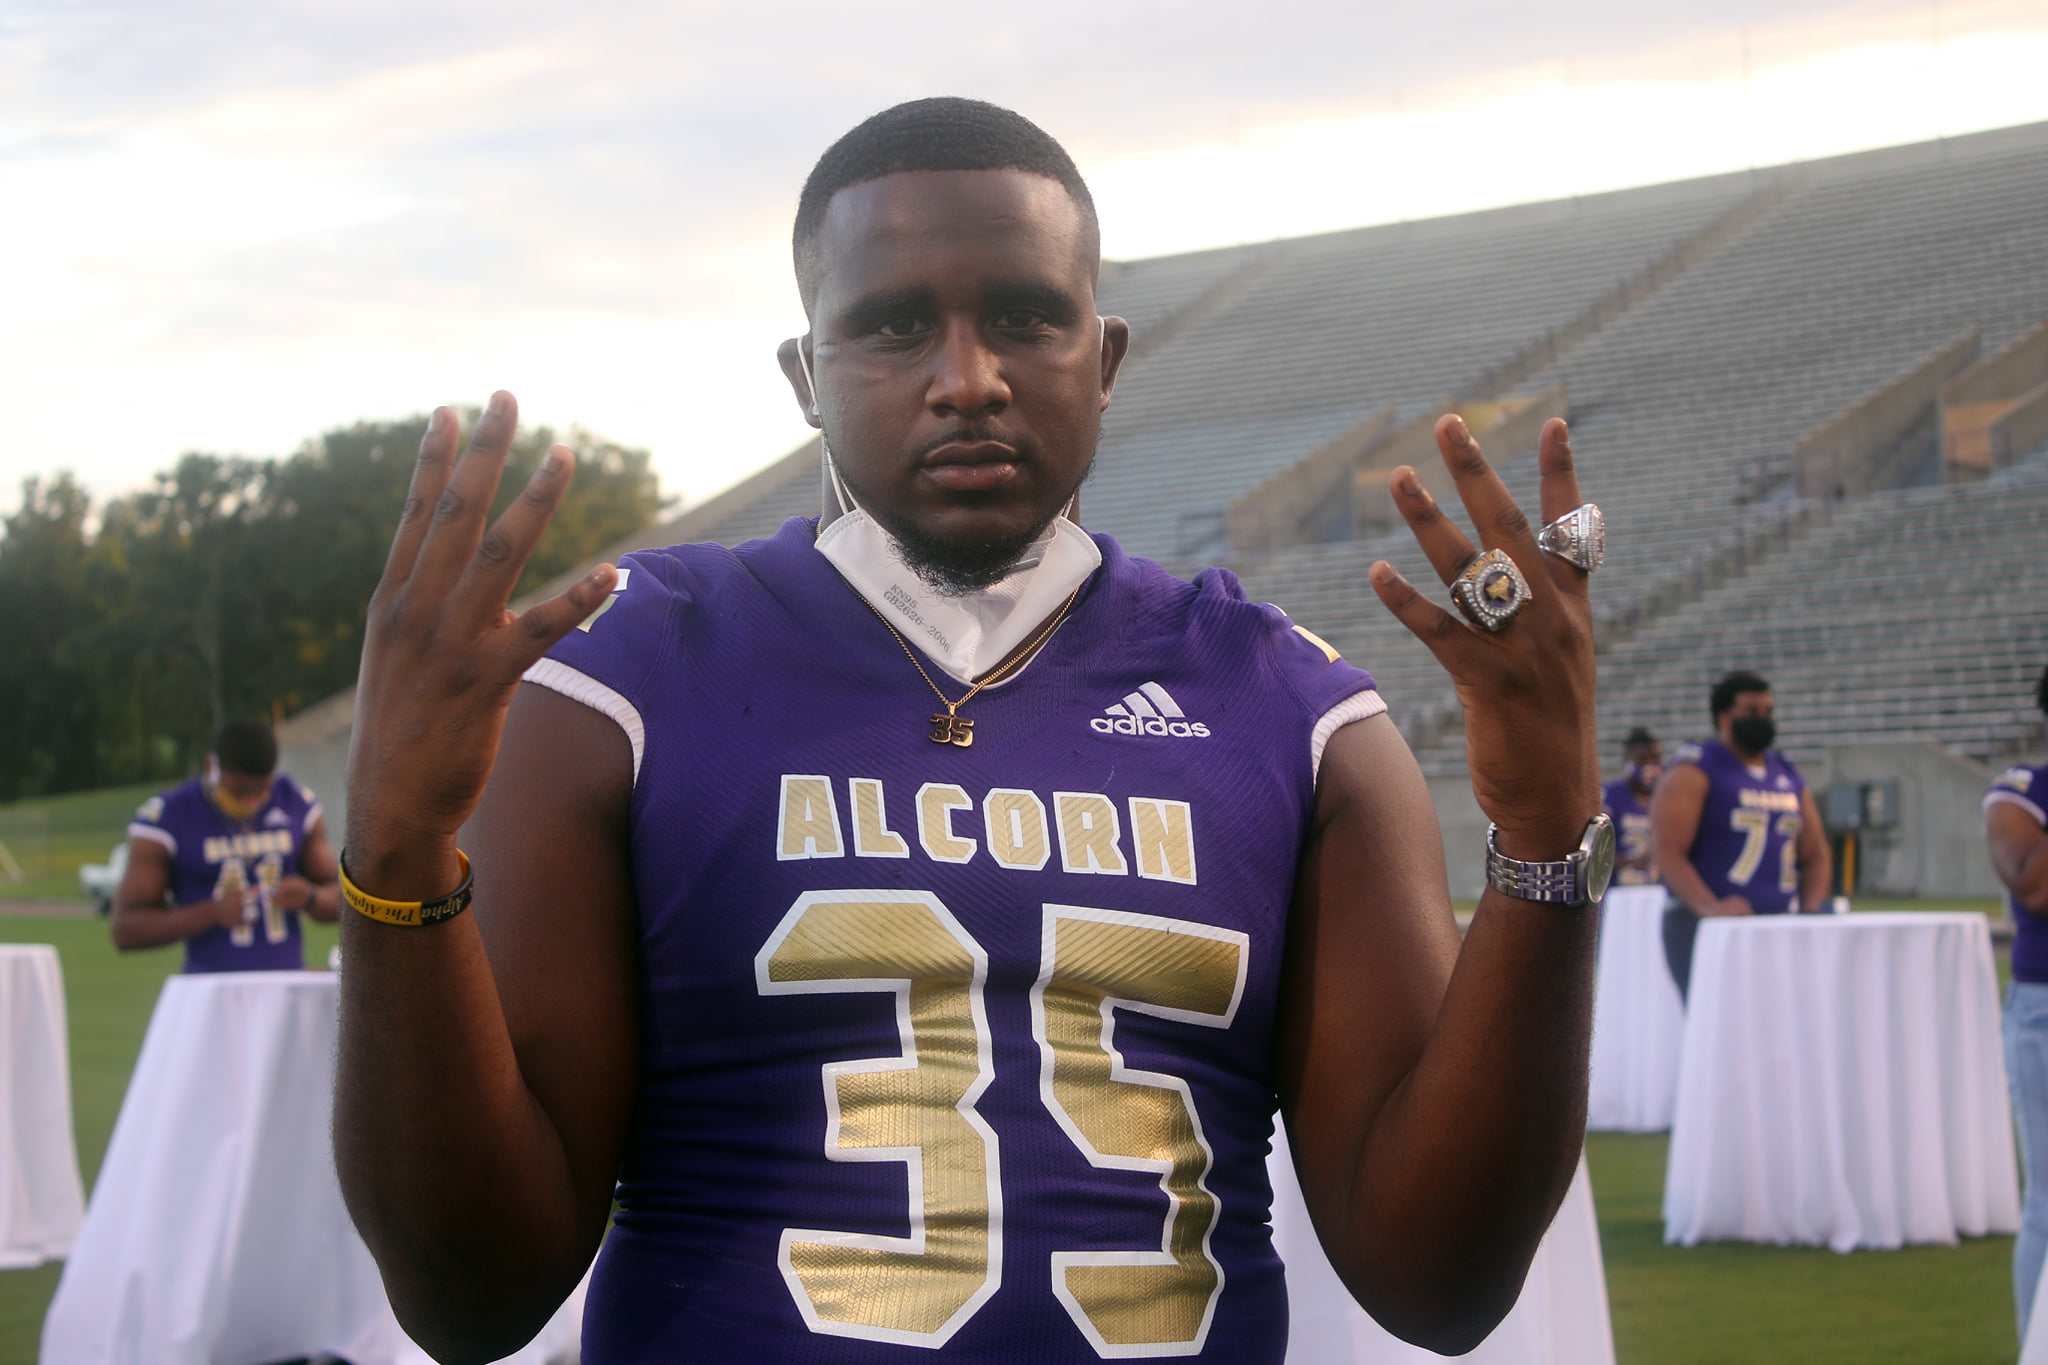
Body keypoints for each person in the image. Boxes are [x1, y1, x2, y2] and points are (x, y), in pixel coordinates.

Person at [332, 98, 1611, 1364]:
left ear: (1100, 360)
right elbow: (469, 1301)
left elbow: (1439, 1289)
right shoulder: (621, 685)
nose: (967, 379)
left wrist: (1548, 840)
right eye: (891, 327)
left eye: (1023, 317)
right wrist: (395, 861)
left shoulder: (1290, 706)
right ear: (805, 377)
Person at [1652, 670, 1831, 1000]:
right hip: (1707, 928)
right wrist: (1711, 908)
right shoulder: (1695, 768)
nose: (1762, 720)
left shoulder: (1787, 772)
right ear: (1724, 717)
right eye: (1751, 712)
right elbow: (1667, 850)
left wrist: (1810, 911)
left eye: (1768, 712)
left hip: (1776, 924)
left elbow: (1815, 854)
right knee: (1718, 1034)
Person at [111, 717, 340, 970]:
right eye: (240, 792)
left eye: (259, 792)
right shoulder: (170, 815)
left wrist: (311, 897)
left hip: (285, 983)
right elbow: (126, 930)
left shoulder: (295, 802)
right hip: (211, 988)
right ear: (212, 765)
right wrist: (210, 913)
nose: (250, 802)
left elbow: (343, 900)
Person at [1987, 664, 2048, 1341]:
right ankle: (2039, 1339)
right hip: (2044, 1000)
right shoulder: (2021, 792)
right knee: (2047, 1201)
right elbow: (2036, 887)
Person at [1601, 726, 1661, 886]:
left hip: (1657, 894)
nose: (1650, 766)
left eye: (1655, 759)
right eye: (1643, 759)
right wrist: (1628, 861)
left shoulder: (1666, 798)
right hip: (1617, 895)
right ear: (1628, 759)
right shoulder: (1608, 796)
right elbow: (1593, 855)